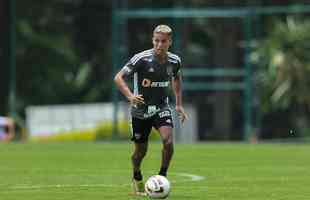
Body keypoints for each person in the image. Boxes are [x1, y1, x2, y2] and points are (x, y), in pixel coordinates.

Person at [114, 24, 188, 196]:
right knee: (141, 151)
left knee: (168, 142)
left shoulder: (174, 61)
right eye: (156, 41)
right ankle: (137, 174)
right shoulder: (141, 59)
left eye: (163, 41)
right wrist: (130, 96)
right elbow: (118, 77)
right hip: (140, 111)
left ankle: (162, 177)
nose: (159, 44)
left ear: (170, 42)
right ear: (152, 40)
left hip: (161, 106)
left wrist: (178, 104)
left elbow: (177, 78)